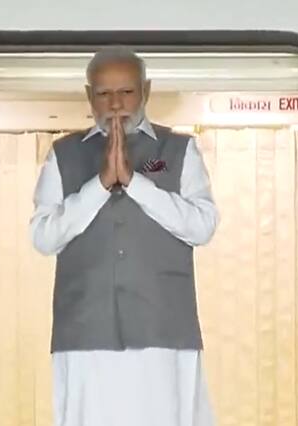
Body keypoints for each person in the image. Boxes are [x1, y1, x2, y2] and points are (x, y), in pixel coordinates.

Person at [30, 46, 219, 426]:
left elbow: (202, 226)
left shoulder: (180, 149)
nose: (116, 104)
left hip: (163, 331)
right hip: (85, 334)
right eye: (104, 93)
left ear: (146, 91)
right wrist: (100, 184)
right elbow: (43, 237)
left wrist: (134, 183)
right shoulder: (63, 154)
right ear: (89, 96)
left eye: (127, 92)